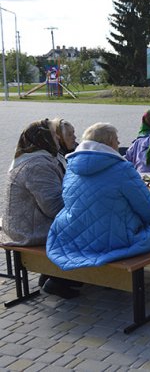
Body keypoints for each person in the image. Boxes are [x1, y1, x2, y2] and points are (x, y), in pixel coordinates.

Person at [46, 123, 150, 273]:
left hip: (74, 236)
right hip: (115, 239)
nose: (119, 143)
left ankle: (58, 280)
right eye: (117, 140)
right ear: (109, 143)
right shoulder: (123, 169)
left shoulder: (72, 168)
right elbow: (148, 209)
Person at [0, 119, 77, 299]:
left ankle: (53, 275)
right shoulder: (37, 165)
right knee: (86, 227)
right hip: (27, 230)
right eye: (52, 134)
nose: (57, 138)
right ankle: (59, 280)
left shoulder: (29, 157)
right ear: (43, 138)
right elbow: (54, 208)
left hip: (24, 223)